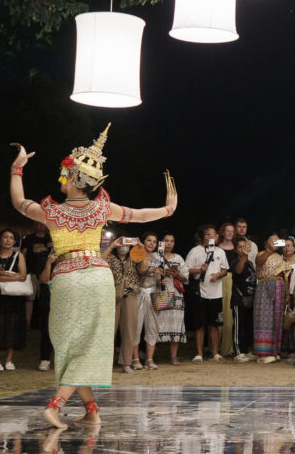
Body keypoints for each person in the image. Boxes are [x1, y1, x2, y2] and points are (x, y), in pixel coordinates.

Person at [9, 125, 177, 428]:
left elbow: (20, 203)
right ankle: (91, 411)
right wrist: (166, 210)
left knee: (70, 343)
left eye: (65, 172)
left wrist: (17, 170)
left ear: (73, 177)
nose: (62, 176)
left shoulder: (52, 212)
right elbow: (138, 215)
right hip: (98, 277)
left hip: (67, 277)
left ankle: (56, 405)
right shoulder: (101, 209)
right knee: (87, 344)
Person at [0, 228, 28, 371]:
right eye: (5, 237)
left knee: (12, 325)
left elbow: (24, 275)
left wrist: (6, 276)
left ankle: (9, 359)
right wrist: (14, 276)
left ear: (14, 241)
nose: (8, 240)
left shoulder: (19, 255)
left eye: (11, 238)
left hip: (14, 296)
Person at [186, 225, 229, 363]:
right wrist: (199, 270)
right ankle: (199, 354)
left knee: (214, 325)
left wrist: (218, 274)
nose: (217, 236)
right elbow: (186, 269)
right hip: (200, 292)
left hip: (216, 293)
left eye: (216, 234)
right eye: (213, 234)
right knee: (200, 325)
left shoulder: (220, 251)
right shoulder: (195, 251)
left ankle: (215, 353)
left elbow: (225, 270)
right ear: (205, 236)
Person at [104, 238, 142, 374]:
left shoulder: (133, 257)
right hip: (112, 296)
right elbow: (100, 260)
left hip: (130, 295)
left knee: (129, 330)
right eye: (122, 243)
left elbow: (142, 269)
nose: (124, 246)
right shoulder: (111, 258)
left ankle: (126, 362)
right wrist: (112, 245)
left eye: (127, 243)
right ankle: (104, 363)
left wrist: (139, 248)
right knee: (109, 330)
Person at [254, 234, 293, 363]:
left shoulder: (280, 258)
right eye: (273, 240)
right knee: (264, 318)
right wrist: (269, 251)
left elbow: (285, 277)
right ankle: (264, 352)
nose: (275, 242)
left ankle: (275, 351)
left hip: (279, 288)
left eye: (277, 241)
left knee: (277, 319)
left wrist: (287, 295)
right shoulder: (261, 254)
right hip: (265, 287)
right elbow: (259, 263)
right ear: (267, 243)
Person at [155, 233, 188, 366]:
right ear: (161, 243)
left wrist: (177, 274)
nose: (169, 243)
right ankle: (152, 356)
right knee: (156, 324)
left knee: (175, 324)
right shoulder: (155, 256)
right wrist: (161, 273)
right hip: (161, 292)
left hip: (175, 293)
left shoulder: (178, 258)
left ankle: (174, 356)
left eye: (172, 241)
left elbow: (185, 278)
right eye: (166, 241)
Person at [134, 232, 162, 370]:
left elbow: (163, 275)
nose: (151, 243)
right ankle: (135, 359)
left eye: (154, 241)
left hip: (155, 293)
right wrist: (152, 267)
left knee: (153, 327)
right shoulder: (137, 253)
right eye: (149, 240)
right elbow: (141, 270)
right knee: (136, 327)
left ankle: (150, 359)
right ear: (143, 242)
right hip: (139, 293)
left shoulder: (159, 257)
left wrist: (161, 274)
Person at [231, 235, 257, 363]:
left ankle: (246, 350)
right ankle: (238, 352)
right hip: (239, 299)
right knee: (238, 326)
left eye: (244, 247)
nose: (242, 249)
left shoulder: (250, 263)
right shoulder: (236, 261)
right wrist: (243, 257)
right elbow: (239, 271)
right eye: (240, 247)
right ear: (236, 250)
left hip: (251, 299)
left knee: (248, 327)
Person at [217, 222, 237, 358]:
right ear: (223, 232)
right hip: (218, 281)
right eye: (227, 231)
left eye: (232, 231)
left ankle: (228, 348)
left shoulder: (236, 249)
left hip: (232, 281)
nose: (230, 233)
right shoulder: (217, 248)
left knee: (230, 315)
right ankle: (215, 348)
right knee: (219, 314)